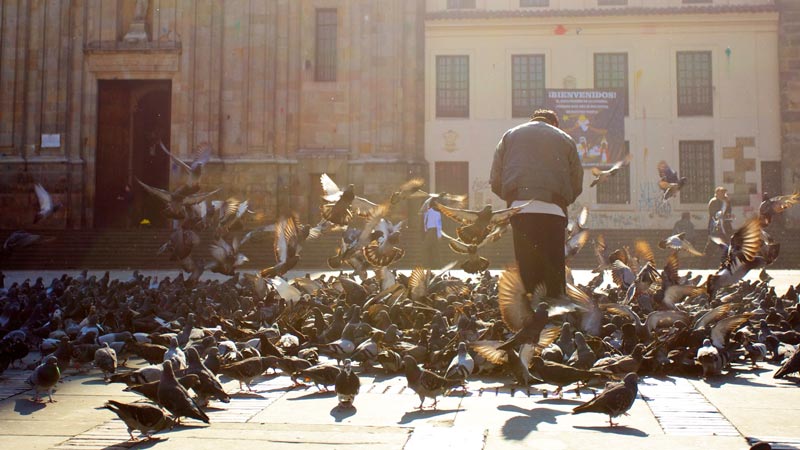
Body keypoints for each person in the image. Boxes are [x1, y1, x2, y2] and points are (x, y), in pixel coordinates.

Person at [489, 108, 583, 297]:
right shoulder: (565, 139)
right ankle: (555, 313)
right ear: (554, 123)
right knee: (554, 266)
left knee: (526, 264)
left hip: (520, 210)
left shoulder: (510, 136)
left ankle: (530, 312)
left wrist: (512, 198)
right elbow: (577, 181)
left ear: (532, 120)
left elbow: (495, 179)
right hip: (554, 211)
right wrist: (563, 200)